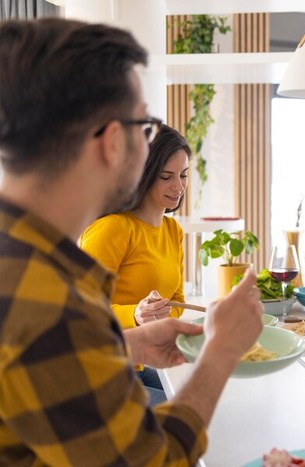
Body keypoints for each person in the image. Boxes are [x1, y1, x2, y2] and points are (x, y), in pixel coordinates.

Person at [0, 18, 263, 465]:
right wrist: (220, 353)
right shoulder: (50, 302)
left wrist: (126, 345)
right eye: (144, 125)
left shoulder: (27, 264)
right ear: (110, 142)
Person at [80, 124, 191, 404]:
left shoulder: (172, 231)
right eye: (166, 176)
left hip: (141, 361)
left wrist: (162, 315)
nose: (178, 187)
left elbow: (177, 301)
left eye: (183, 175)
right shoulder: (111, 229)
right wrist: (136, 315)